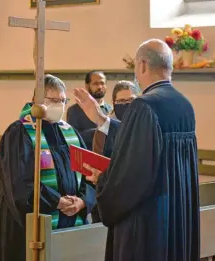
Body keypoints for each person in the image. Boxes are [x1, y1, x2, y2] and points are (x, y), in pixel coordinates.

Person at [74, 39, 200, 261]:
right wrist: (102, 119)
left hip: (149, 226)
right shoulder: (185, 106)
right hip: (176, 218)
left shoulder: (144, 106)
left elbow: (132, 175)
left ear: (142, 65)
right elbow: (144, 143)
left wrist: (103, 180)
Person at [0, 74, 96, 261]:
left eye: (63, 100)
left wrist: (83, 200)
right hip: (33, 225)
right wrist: (56, 201)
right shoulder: (19, 132)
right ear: (36, 101)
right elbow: (18, 183)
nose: (59, 106)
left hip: (71, 219)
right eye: (53, 100)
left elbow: (90, 173)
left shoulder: (70, 132)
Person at [92, 80, 140, 157]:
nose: (127, 104)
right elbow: (98, 158)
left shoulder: (144, 122)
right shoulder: (104, 126)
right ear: (113, 103)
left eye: (131, 100)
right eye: (121, 101)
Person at [67, 71, 112, 150]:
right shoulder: (74, 111)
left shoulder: (111, 109)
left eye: (102, 83)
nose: (100, 87)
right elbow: (74, 138)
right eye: (95, 83)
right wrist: (101, 131)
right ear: (87, 86)